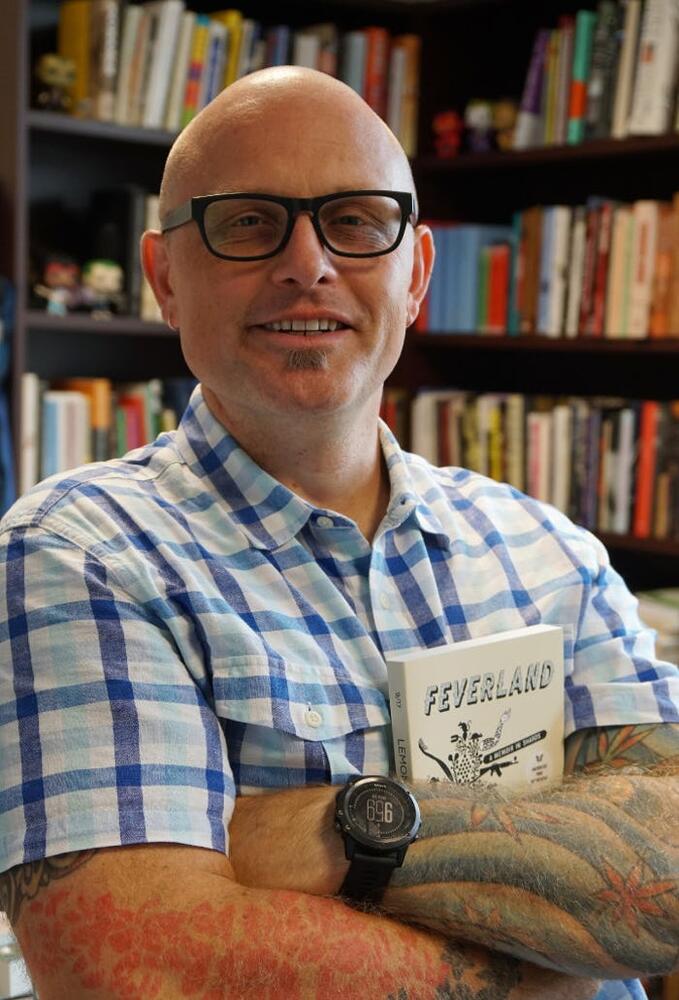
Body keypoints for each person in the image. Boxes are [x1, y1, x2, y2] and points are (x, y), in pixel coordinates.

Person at [0, 66, 677, 1000]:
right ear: (163, 276)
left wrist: (327, 831)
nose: (307, 263)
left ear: (416, 276)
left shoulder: (549, 551)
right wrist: (552, 956)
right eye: (247, 221)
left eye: (356, 221)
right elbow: (144, 966)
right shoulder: (78, 556)